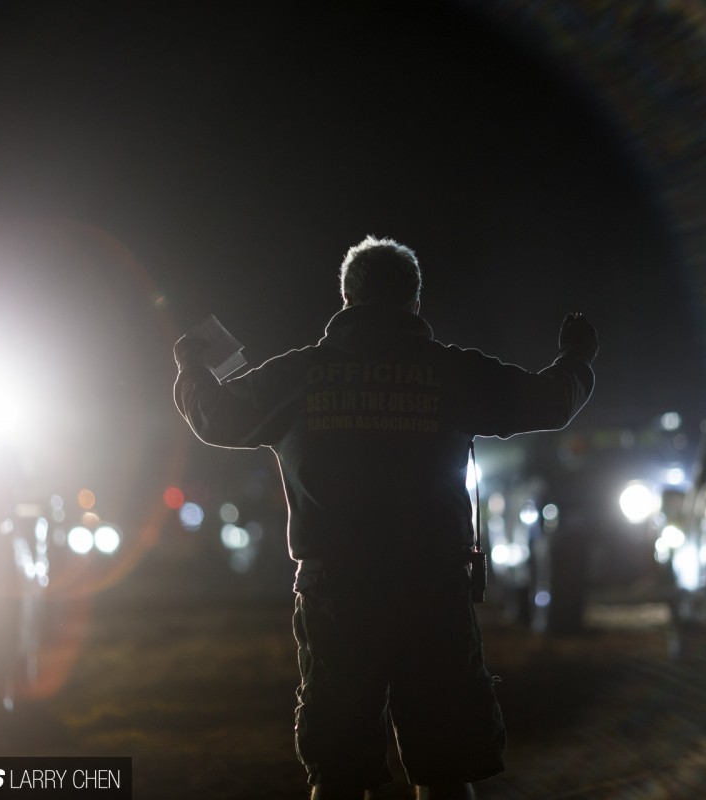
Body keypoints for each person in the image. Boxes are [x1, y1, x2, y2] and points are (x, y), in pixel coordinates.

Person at [173, 236, 598, 800]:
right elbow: (549, 401)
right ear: (414, 301)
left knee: (339, 771)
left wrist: (193, 367)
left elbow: (214, 417)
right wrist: (576, 359)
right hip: (432, 592)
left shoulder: (299, 376)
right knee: (445, 768)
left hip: (336, 593)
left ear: (347, 298)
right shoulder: (447, 372)